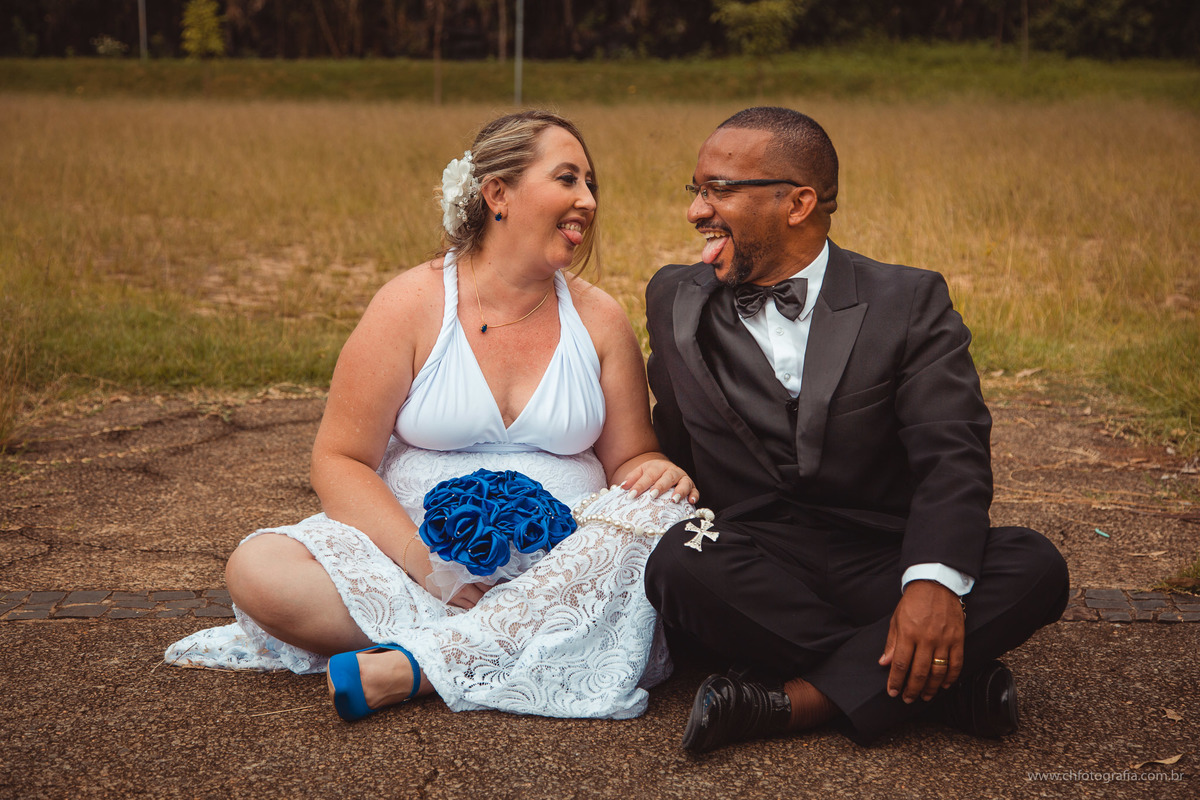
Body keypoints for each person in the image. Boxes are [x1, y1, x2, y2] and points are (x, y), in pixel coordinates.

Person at [166, 110, 701, 722]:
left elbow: (630, 457)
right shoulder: (410, 304)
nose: (587, 200)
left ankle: (416, 665)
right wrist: (431, 572)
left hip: (565, 562)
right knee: (260, 570)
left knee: (661, 520)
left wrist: (658, 470)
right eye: (567, 179)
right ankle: (530, 639)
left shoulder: (600, 317)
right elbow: (340, 459)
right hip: (413, 558)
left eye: (590, 185)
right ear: (498, 193)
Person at [642, 107, 1070, 751]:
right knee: (678, 563)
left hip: (881, 555)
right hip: (755, 562)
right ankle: (940, 686)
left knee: (1034, 565)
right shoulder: (675, 299)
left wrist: (929, 584)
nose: (697, 210)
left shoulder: (908, 301)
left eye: (721, 189)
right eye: (697, 190)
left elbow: (951, 457)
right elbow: (673, 432)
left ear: (798, 202)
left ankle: (794, 701)